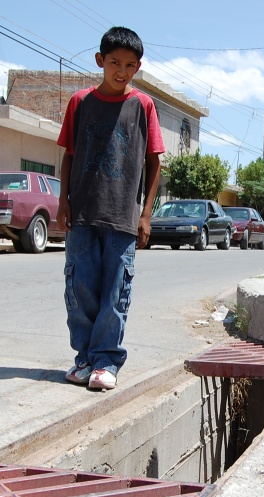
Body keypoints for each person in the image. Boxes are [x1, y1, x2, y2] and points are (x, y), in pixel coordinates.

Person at [56, 26, 165, 390]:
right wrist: (63, 201)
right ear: (100, 60)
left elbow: (154, 163)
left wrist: (146, 215)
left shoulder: (143, 106)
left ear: (138, 67)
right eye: (115, 62)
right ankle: (84, 359)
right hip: (82, 214)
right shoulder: (80, 102)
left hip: (122, 218)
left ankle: (106, 361)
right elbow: (69, 156)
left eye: (130, 65)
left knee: (115, 291)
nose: (122, 71)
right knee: (80, 288)